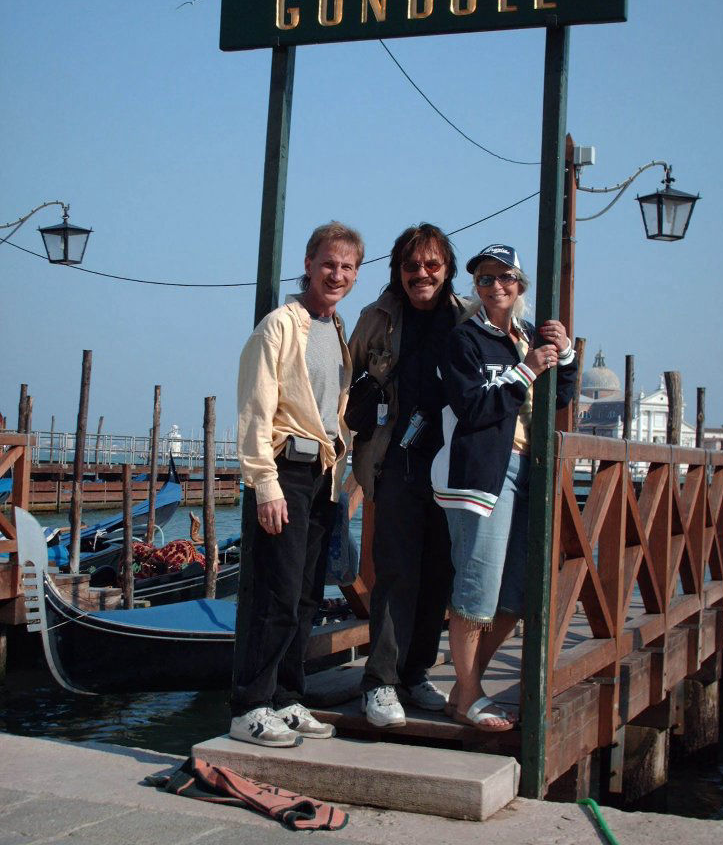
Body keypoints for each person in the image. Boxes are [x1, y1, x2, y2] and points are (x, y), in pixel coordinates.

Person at [431, 243, 577, 730]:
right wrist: (529, 368)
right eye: (485, 279)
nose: (496, 287)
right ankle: (471, 694)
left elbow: (560, 397)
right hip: (479, 476)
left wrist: (567, 356)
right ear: (475, 286)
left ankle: (463, 688)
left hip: (528, 471)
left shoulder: (528, 337)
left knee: (516, 593)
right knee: (475, 588)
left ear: (521, 285)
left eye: (505, 278)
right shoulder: (464, 340)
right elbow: (473, 407)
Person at [231, 221, 364, 748]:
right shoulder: (279, 326)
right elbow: (255, 409)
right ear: (308, 265)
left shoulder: (335, 329)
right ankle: (249, 706)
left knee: (307, 596)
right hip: (285, 472)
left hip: (324, 476)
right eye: (328, 264)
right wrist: (264, 484)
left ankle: (287, 698)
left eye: (347, 267)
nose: (336, 274)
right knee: (277, 594)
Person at [348, 223, 474, 727]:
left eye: (432, 265)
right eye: (411, 265)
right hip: (396, 462)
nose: (421, 274)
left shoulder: (471, 319)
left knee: (439, 575)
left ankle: (415, 673)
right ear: (398, 269)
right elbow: (344, 380)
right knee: (396, 573)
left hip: (454, 468)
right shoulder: (376, 319)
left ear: (446, 270)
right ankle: (379, 683)